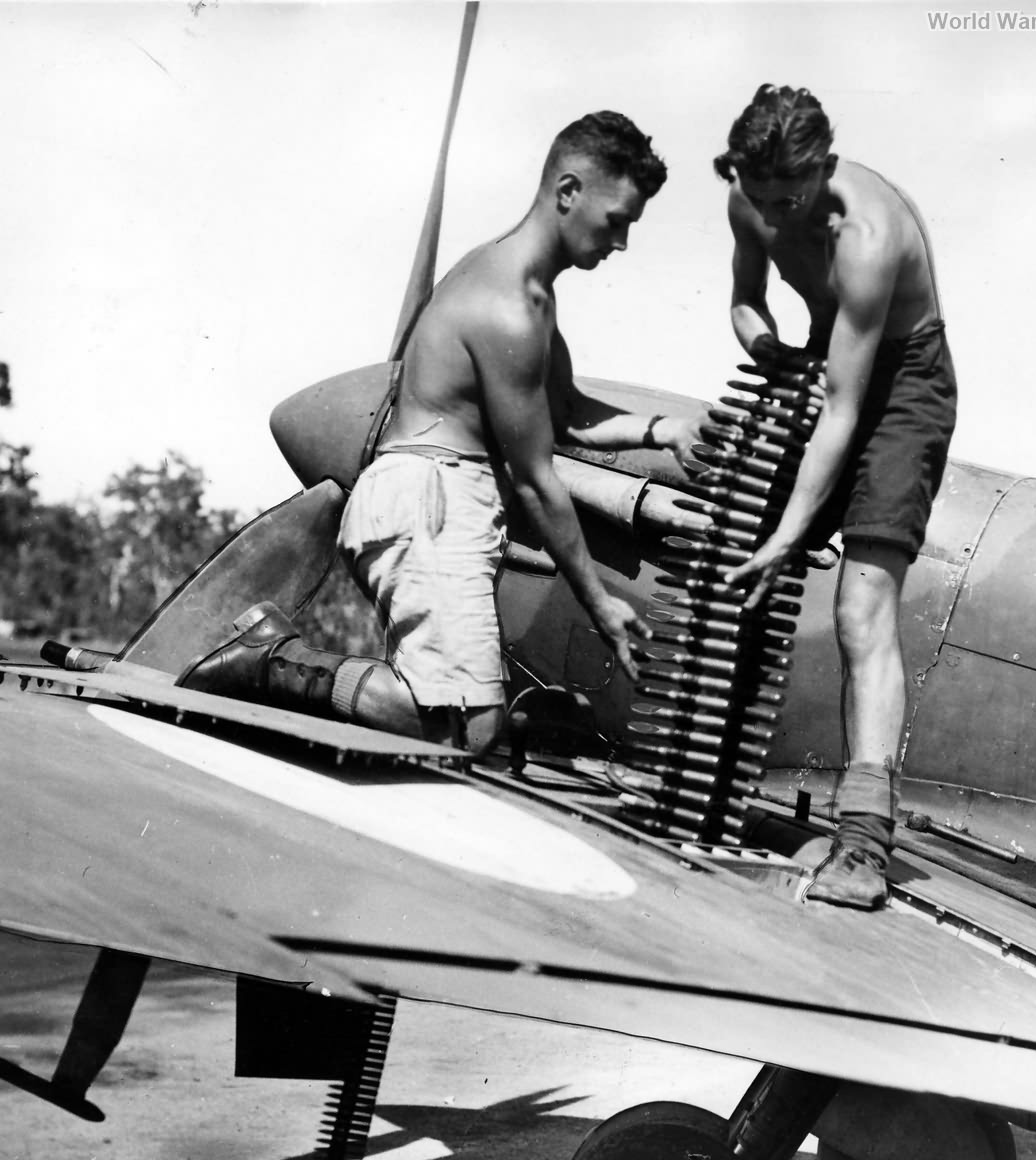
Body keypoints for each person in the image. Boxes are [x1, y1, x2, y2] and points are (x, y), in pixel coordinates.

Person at [178, 112, 705, 760]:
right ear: (568, 191)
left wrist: (663, 429)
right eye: (617, 219)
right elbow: (539, 481)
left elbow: (565, 411)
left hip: (444, 499)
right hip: (431, 499)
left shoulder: (523, 288)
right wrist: (598, 603)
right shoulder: (508, 305)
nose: (620, 241)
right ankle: (267, 661)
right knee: (463, 729)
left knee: (468, 726)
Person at [714, 85, 957, 908]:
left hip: (902, 383)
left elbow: (849, 408)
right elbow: (746, 304)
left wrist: (792, 535)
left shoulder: (869, 234)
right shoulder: (749, 204)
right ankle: (709, 778)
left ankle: (861, 845)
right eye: (761, 199)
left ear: (821, 171)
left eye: (792, 200)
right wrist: (775, 354)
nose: (777, 218)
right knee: (734, 545)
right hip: (827, 361)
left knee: (860, 604)